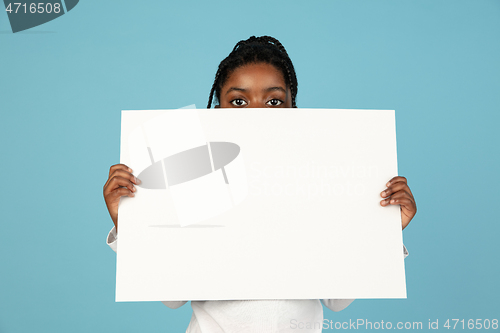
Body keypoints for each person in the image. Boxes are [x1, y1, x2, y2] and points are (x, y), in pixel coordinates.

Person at [103, 36, 417, 333]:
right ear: (217, 110)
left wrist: (385, 230)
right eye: (238, 101)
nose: (256, 113)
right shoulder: (197, 180)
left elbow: (337, 300)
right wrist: (130, 223)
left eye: (274, 101)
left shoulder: (318, 179)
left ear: (293, 109)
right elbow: (173, 297)